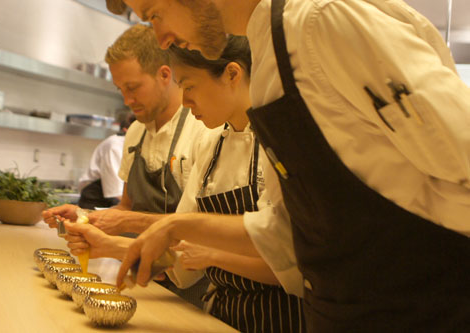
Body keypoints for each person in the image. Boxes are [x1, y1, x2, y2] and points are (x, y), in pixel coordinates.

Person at [107, 0, 470, 331]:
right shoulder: (269, 59)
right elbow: (290, 228)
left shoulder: (319, 22)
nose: (162, 38)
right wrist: (175, 226)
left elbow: (463, 157)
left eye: (154, 13)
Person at [64, 35, 305, 332]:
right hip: (219, 316)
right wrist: (108, 246)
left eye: (189, 87)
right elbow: (184, 257)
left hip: (282, 320)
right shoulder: (211, 142)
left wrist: (213, 255)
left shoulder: (280, 142)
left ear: (232, 74)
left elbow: (292, 266)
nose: (186, 102)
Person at [42, 24, 210, 307]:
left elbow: (203, 228)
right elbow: (126, 207)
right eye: (121, 89)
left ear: (165, 75)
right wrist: (85, 217)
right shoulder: (136, 131)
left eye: (133, 88)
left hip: (189, 290)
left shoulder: (202, 128)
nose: (127, 100)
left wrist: (127, 221)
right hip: (144, 283)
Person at [76, 111, 135, 210]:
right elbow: (116, 192)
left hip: (113, 201)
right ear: (126, 130)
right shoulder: (115, 146)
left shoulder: (136, 146)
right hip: (95, 199)